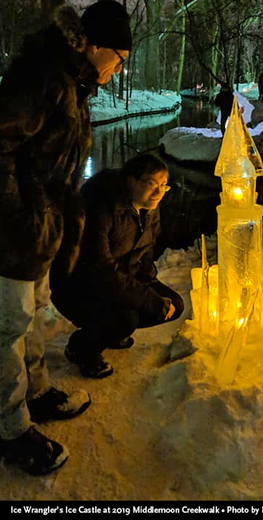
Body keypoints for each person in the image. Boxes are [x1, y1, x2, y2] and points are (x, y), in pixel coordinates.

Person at [0, 0, 132, 475]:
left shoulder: (73, 83)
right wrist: (24, 216)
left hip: (38, 233)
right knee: (8, 329)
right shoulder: (42, 76)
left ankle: (34, 395)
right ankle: (9, 430)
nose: (118, 71)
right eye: (118, 60)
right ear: (94, 45)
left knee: (32, 316)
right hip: (14, 233)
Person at [50, 154, 185, 380]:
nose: (159, 192)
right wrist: (146, 298)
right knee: (126, 319)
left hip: (118, 279)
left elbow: (146, 251)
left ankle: (107, 331)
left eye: (163, 185)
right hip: (78, 286)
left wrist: (148, 284)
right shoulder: (101, 207)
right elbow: (99, 271)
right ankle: (83, 347)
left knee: (174, 306)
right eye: (152, 184)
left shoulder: (149, 208)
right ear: (131, 180)